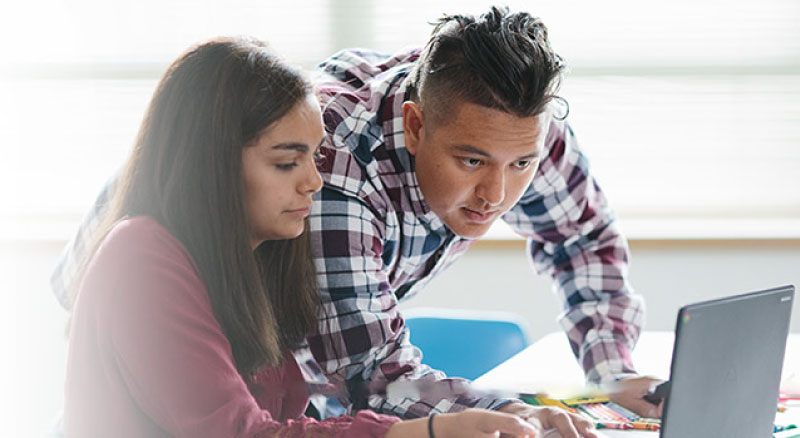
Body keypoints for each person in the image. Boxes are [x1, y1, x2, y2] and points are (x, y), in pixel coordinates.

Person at [53, 6, 655, 436]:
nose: (498, 193)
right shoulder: (333, 171)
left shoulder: (518, 124)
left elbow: (582, 237)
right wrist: (476, 423)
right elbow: (351, 383)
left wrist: (612, 376)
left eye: (522, 162)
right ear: (416, 127)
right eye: (472, 161)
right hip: (155, 293)